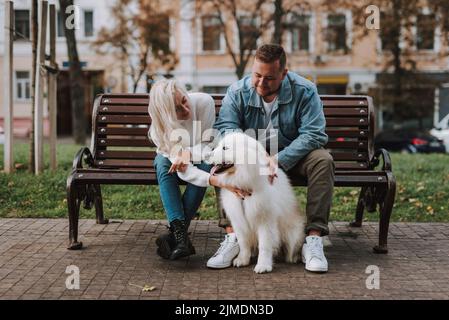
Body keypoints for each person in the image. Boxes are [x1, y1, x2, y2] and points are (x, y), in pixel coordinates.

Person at [208, 44, 335, 273]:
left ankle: (313, 239)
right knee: (225, 162)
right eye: (256, 75)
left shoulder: (305, 90)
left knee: (323, 160)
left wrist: (278, 158)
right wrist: (255, 153)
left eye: (269, 78)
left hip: (294, 157)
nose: (260, 83)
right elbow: (226, 128)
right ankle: (233, 237)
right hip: (252, 160)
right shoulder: (237, 91)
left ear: (284, 73)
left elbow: (314, 133)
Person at [148, 79, 249, 260]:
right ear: (166, 115)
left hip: (204, 155)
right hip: (173, 162)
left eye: (184, 101)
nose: (186, 110)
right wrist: (216, 181)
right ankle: (180, 236)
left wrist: (188, 152)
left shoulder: (203, 102)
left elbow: (208, 145)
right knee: (163, 163)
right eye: (177, 110)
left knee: (204, 164)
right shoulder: (158, 130)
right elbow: (181, 170)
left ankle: (176, 237)